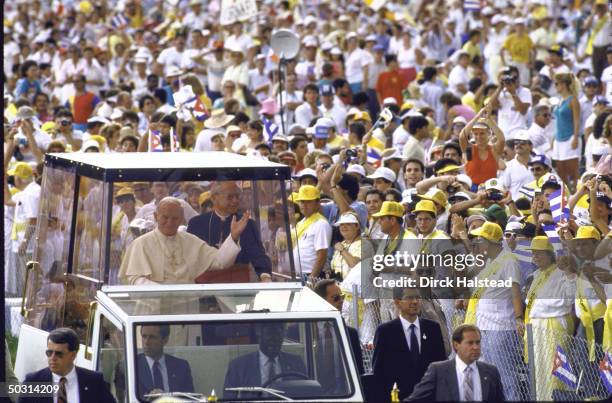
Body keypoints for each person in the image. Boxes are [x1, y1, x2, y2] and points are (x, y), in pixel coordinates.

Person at [119, 197, 248, 285]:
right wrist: (162, 292)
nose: (169, 222)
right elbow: (135, 279)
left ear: (182, 219)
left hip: (186, 309)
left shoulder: (190, 241)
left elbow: (219, 262)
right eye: (165, 217)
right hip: (153, 310)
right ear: (155, 216)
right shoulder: (141, 243)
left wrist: (233, 236)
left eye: (175, 218)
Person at [187, 181, 272, 282]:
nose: (235, 201)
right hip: (206, 287)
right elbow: (191, 258)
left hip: (238, 286)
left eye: (237, 196)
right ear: (214, 198)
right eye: (230, 197)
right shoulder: (196, 223)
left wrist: (265, 274)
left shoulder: (247, 223)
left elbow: (258, 254)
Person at [372, 287, 446, 402]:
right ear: (397, 302)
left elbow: (441, 364)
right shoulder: (385, 332)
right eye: (410, 297)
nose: (415, 301)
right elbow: (379, 372)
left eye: (418, 297)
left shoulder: (432, 329)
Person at [407, 324, 505, 402]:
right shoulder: (438, 371)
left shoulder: (491, 372)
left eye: (478, 342)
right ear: (456, 345)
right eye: (470, 343)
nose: (475, 347)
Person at [18, 328, 116, 403]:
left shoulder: (94, 381)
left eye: (59, 354)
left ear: (73, 355)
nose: (53, 358)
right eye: (49, 352)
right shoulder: (33, 381)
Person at [223, 322, 307, 399]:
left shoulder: (296, 363)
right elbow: (229, 398)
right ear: (259, 334)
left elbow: (305, 393)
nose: (274, 340)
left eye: (278, 334)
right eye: (269, 334)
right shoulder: (238, 366)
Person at [313, 279, 364, 375]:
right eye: (336, 298)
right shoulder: (303, 331)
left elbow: (359, 371)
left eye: (342, 297)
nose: (341, 301)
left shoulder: (350, 334)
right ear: (320, 300)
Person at [136, 325, 194, 398]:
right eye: (144, 336)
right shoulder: (133, 365)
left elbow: (190, 399)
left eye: (152, 337)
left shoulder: (181, 367)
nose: (146, 342)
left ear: (165, 340)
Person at [292, 185, 332, 281]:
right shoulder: (301, 222)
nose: (304, 205)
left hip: (311, 276)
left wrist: (311, 280)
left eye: (308, 202)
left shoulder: (321, 223)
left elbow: (321, 255)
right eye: (302, 201)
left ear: (317, 203)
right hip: (298, 276)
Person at [552, 73, 581, 192]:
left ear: (563, 85)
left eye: (556, 84)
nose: (555, 86)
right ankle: (569, 192)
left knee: (573, 169)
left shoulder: (573, 100)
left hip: (570, 137)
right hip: (558, 138)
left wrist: (575, 137)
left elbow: (577, 120)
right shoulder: (560, 101)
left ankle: (578, 191)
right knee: (560, 168)